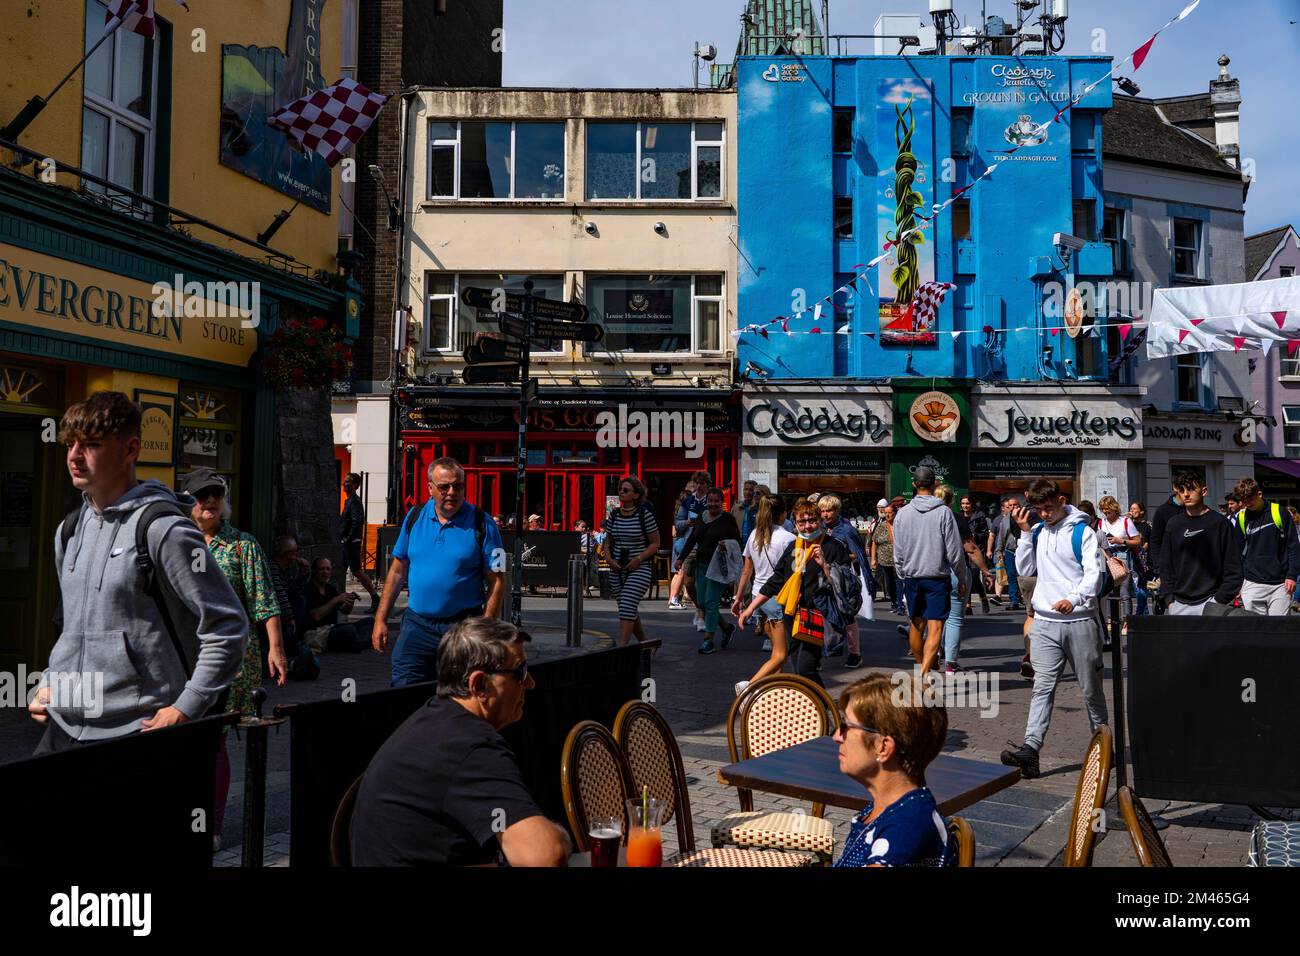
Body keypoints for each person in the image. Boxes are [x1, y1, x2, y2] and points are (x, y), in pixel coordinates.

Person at [30, 392, 247, 755]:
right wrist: (50, 681)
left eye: (92, 444)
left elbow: (227, 625)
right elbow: (72, 627)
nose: (74, 456)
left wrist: (186, 707)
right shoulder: (68, 530)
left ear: (130, 450)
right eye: (71, 444)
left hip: (138, 730)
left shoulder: (163, 530)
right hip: (66, 725)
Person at [350, 617, 571, 866]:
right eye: (520, 672)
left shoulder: (436, 719)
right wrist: (561, 836)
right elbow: (544, 856)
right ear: (479, 685)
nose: (530, 683)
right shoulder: (470, 748)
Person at [184, 467, 286, 848]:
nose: (209, 502)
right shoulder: (179, 543)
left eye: (215, 495)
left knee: (215, 740)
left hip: (230, 657)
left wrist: (276, 648)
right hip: (183, 655)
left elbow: (264, 600)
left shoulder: (243, 546)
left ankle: (212, 825)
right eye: (201, 496)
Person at [1000, 479, 1108, 780]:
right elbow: (1024, 569)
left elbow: (1094, 575)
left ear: (1061, 501)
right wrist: (1023, 534)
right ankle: (1031, 751)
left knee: (1090, 690)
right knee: (1042, 687)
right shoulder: (1036, 532)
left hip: (1079, 620)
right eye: (1039, 509)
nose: (1043, 515)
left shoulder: (1082, 532)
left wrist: (1073, 599)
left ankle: (1103, 745)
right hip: (1045, 621)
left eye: (1048, 508)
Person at [373, 457, 506, 687]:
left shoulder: (482, 523)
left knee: (458, 694)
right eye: (444, 487)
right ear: (430, 488)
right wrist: (380, 619)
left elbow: (497, 580)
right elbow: (397, 572)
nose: (451, 492)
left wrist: (486, 628)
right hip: (416, 626)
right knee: (403, 689)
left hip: (461, 626)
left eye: (458, 486)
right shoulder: (414, 517)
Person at [833, 674, 954, 867]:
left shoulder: (905, 828)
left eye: (846, 727)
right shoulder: (888, 808)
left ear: (883, 747)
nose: (837, 736)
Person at [739, 500, 852, 688]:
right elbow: (776, 581)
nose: (807, 526)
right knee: (799, 668)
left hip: (817, 615)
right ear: (795, 523)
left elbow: (846, 585)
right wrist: (750, 608)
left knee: (805, 667)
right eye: (802, 522)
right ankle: (817, 708)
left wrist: (825, 565)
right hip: (793, 614)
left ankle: (823, 707)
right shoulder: (795, 548)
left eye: (812, 520)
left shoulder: (833, 547)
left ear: (820, 520)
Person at [892, 467, 965, 677]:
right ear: (933, 484)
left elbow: (898, 550)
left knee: (916, 625)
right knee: (935, 627)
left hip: (912, 576)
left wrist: (901, 573)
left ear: (914, 485)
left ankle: (923, 665)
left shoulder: (903, 514)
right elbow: (954, 550)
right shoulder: (944, 512)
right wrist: (960, 577)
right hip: (937, 577)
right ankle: (924, 673)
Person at [731, 495, 795, 695]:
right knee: (781, 654)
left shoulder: (753, 535)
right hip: (777, 598)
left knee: (777, 650)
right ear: (783, 514)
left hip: (759, 597)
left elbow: (746, 572)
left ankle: (777, 693)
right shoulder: (788, 539)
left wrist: (738, 598)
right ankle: (749, 686)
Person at [1159, 471, 1244, 615]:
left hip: (1212, 602)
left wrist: (1218, 601)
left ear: (1204, 491)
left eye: (1191, 489)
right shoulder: (1174, 524)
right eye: (1182, 490)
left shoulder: (1220, 523)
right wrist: (1169, 600)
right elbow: (1165, 565)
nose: (1186, 494)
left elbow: (1233, 566)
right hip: (1178, 604)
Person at [677, 487, 741, 655]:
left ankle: (708, 640)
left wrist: (726, 544)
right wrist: (680, 558)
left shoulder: (727, 519)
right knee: (703, 603)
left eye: (716, 501)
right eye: (710, 501)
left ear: (722, 503)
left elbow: (737, 542)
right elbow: (692, 539)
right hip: (702, 565)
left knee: (711, 603)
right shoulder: (701, 517)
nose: (713, 504)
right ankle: (727, 627)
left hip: (719, 567)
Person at [939, 486, 994, 673]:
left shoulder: (919, 518)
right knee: (954, 618)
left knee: (936, 618)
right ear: (951, 500)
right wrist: (986, 571)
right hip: (955, 571)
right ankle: (950, 662)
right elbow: (971, 549)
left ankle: (932, 655)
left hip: (929, 573)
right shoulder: (955, 518)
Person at [601, 477, 661, 646]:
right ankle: (645, 644)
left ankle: (622, 649)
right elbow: (608, 541)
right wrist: (608, 558)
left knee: (627, 603)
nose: (621, 492)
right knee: (627, 608)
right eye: (620, 489)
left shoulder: (645, 515)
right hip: (617, 568)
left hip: (639, 568)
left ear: (635, 495)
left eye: (626, 490)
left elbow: (656, 542)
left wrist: (639, 558)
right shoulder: (614, 515)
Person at [1233, 477, 1300, 615]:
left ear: (1259, 494)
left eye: (1250, 499)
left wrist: (1292, 575)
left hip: (1281, 584)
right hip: (1252, 583)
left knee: (1278, 630)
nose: (1247, 504)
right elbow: (1236, 553)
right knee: (1256, 630)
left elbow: (1293, 546)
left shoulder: (1279, 512)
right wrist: (1237, 582)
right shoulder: (1241, 517)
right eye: (1244, 500)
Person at [819, 494, 870, 668]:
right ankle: (827, 648)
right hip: (822, 575)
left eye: (829, 510)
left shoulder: (847, 530)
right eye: (823, 511)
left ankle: (855, 653)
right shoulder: (819, 529)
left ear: (837, 510)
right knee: (823, 612)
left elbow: (859, 555)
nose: (826, 514)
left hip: (842, 576)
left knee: (847, 614)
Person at [304, 556, 374, 652]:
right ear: (314, 571)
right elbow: (316, 616)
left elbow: (345, 611)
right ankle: (359, 643)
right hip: (318, 633)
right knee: (349, 630)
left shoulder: (330, 589)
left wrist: (350, 601)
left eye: (328, 569)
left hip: (333, 629)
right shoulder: (308, 589)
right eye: (321, 569)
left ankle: (356, 643)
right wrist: (335, 600)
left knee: (371, 622)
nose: (325, 572)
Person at [1097, 495, 1142, 631]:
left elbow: (1137, 541)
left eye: (1107, 509)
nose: (1105, 512)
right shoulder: (1101, 523)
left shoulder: (1125, 521)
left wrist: (1120, 540)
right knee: (1108, 590)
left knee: (1124, 592)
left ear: (1114, 508)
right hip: (1107, 556)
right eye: (1103, 509)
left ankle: (1127, 620)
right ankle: (1111, 619)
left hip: (1122, 554)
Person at [341, 473, 380, 608]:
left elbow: (357, 522)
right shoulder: (350, 501)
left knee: (356, 570)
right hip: (348, 542)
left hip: (351, 543)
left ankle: (375, 597)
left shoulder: (354, 502)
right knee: (341, 570)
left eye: (349, 482)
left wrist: (347, 539)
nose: (345, 484)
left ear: (356, 486)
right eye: (345, 481)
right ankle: (341, 599)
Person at [992, 495, 1026, 611]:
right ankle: (1014, 601)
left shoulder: (1024, 517)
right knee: (1011, 576)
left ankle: (1026, 599)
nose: (1012, 507)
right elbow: (1000, 537)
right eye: (1010, 505)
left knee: (1024, 575)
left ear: (1019, 506)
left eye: (1014, 505)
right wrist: (999, 551)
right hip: (1010, 551)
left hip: (1023, 550)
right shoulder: (1004, 520)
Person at [960, 496, 992, 614]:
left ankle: (983, 598)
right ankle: (968, 605)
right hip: (963, 550)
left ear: (971, 504)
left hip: (976, 550)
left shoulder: (979, 517)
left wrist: (975, 536)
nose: (965, 506)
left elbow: (985, 534)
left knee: (973, 576)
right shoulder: (959, 517)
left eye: (967, 503)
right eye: (963, 503)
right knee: (966, 576)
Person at [870, 504, 900, 615]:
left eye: (889, 512)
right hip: (885, 560)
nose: (887, 514)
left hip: (899, 560)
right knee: (889, 582)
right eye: (885, 512)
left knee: (899, 582)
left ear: (895, 513)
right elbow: (874, 542)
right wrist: (873, 559)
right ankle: (894, 602)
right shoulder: (881, 526)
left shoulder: (900, 525)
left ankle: (901, 603)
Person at [1128, 502, 1153, 616]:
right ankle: (1145, 616)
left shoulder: (1147, 526)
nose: (1132, 511)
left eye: (1135, 509)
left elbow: (1147, 543)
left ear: (1142, 511)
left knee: (1140, 588)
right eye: (1131, 509)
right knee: (1136, 589)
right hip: (1128, 558)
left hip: (1142, 561)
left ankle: (1139, 615)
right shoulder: (1128, 524)